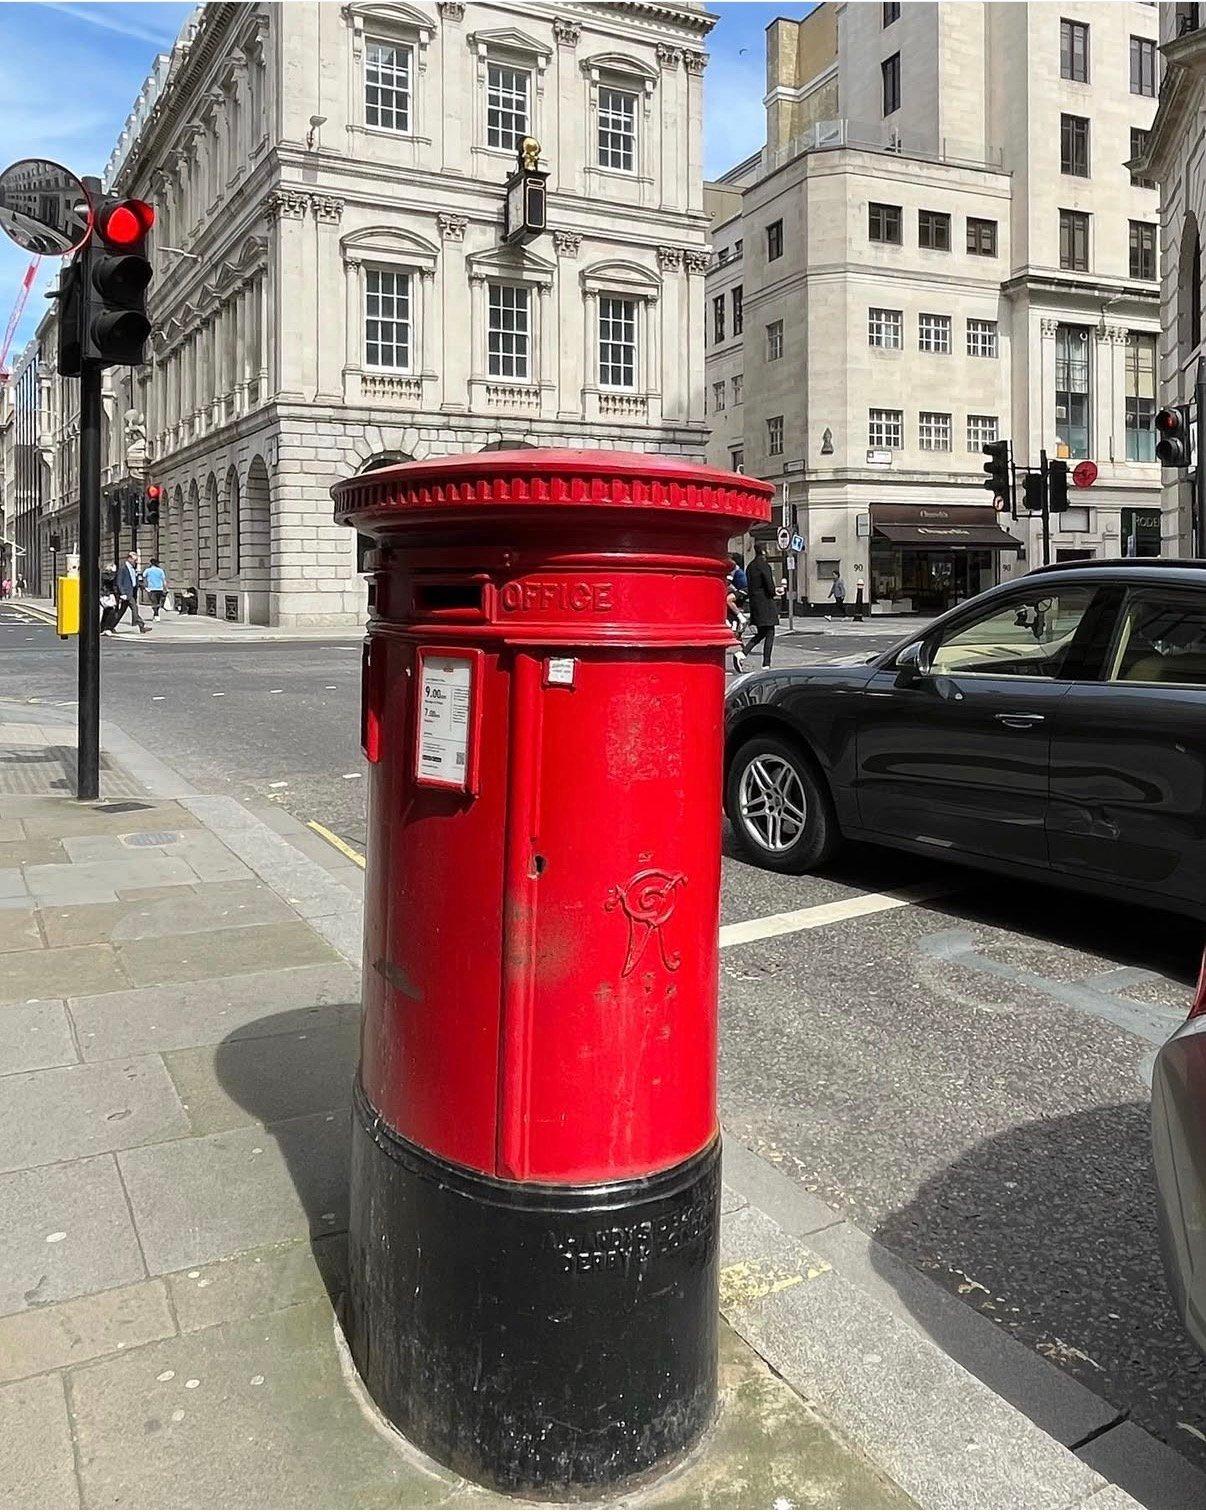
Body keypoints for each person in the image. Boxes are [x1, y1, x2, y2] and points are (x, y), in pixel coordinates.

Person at [744, 540, 780, 668]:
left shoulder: (750, 566)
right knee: (770, 631)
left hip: (755, 603)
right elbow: (770, 587)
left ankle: (742, 653)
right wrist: (775, 591)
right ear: (764, 551)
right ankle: (766, 664)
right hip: (766, 603)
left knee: (762, 632)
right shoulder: (764, 566)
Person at [114, 551, 151, 634]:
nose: (136, 562)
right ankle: (139, 624)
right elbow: (119, 582)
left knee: (121, 611)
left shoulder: (133, 569)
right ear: (129, 559)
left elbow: (135, 581)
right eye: (135, 560)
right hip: (126, 593)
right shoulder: (123, 568)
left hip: (132, 592)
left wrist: (144, 587)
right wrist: (122, 593)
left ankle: (110, 626)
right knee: (134, 607)